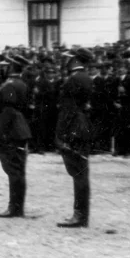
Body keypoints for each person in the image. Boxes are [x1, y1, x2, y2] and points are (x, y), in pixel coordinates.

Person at [55, 48, 94, 228]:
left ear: (75, 59)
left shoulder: (74, 79)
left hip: (73, 127)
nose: (65, 61)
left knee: (78, 172)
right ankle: (81, 214)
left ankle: (79, 216)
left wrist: (62, 134)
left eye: (68, 58)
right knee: (81, 172)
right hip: (80, 124)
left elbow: (68, 109)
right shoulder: (84, 77)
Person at [0, 55, 33, 218]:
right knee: (19, 170)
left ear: (11, 67)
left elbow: (7, 111)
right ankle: (17, 207)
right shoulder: (21, 83)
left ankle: (14, 208)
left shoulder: (8, 85)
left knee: (13, 170)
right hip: (20, 128)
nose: (2, 67)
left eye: (6, 65)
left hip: (10, 131)